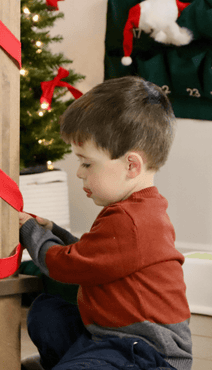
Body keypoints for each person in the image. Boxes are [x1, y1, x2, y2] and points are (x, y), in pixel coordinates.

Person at [19, 76, 192, 370]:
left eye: (87, 163)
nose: (79, 173)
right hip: (112, 337)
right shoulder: (133, 209)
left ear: (131, 165)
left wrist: (29, 231)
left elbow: (69, 266)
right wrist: (55, 232)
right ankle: (72, 358)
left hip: (147, 353)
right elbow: (94, 258)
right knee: (47, 312)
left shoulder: (131, 219)